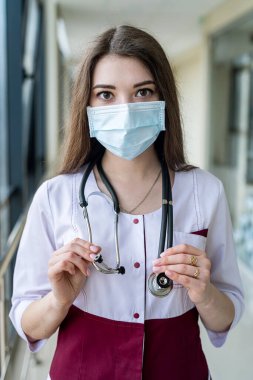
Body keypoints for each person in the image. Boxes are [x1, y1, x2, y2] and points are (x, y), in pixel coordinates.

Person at [10, 25, 244, 380]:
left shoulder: (204, 191)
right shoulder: (54, 197)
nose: (125, 110)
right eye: (106, 95)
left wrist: (203, 291)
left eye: (142, 91)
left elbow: (226, 314)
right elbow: (29, 323)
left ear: (163, 100)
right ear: (86, 105)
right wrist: (58, 300)